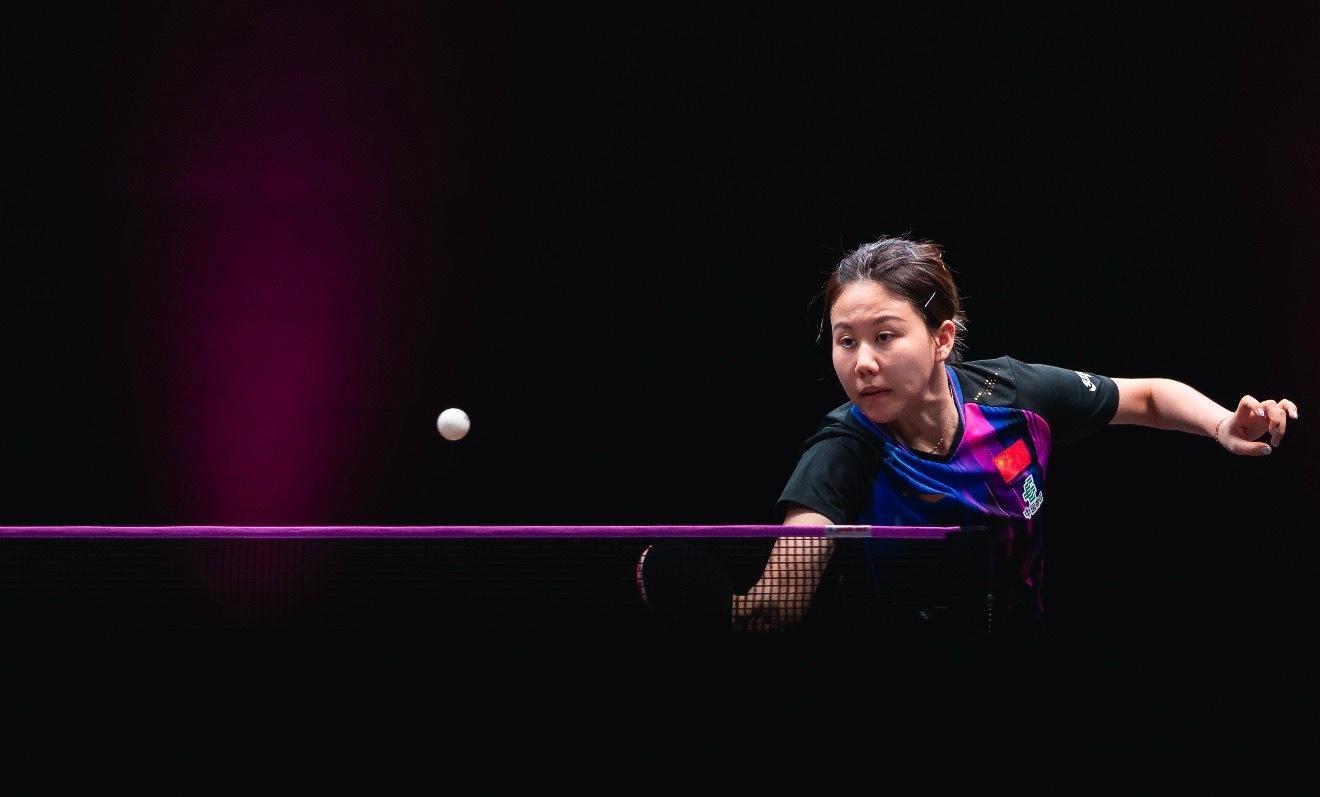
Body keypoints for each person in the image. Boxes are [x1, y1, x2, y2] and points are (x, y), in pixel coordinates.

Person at [733, 236, 1299, 636]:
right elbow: (782, 591)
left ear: (941, 339)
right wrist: (749, 608)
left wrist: (1222, 425)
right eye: (846, 341)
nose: (863, 363)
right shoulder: (844, 452)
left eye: (884, 336)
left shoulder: (1010, 396)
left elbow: (1148, 395)